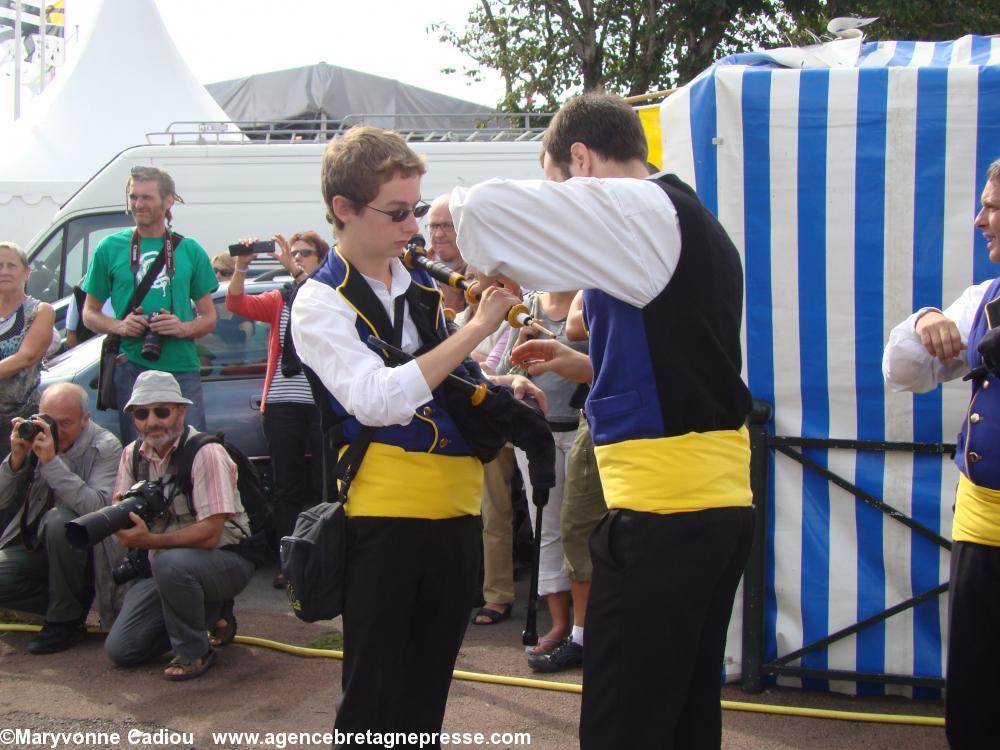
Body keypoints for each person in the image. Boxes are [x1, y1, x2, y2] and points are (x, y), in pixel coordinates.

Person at [452, 92, 755, 749]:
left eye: (562, 181)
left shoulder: (639, 209)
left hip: (662, 520)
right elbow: (681, 369)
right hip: (709, 509)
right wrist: (583, 363)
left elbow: (477, 212)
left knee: (624, 723)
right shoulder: (693, 220)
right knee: (682, 716)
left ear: (581, 160)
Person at [290, 126, 533, 746]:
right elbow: (375, 400)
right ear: (343, 210)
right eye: (398, 213)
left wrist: (501, 384)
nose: (413, 229)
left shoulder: (422, 288)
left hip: (455, 512)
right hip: (385, 519)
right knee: (373, 699)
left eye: (417, 211)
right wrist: (477, 327)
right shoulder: (319, 303)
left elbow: (447, 380)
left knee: (427, 693)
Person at [882, 158, 1000, 750]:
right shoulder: (983, 299)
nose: (981, 220)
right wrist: (926, 319)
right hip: (983, 532)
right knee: (978, 700)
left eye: (994, 207)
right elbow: (902, 368)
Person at [103, 370, 253, 682]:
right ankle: (210, 611)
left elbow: (212, 534)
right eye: (142, 413)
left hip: (228, 558)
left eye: (161, 411)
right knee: (123, 650)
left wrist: (147, 541)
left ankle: (194, 651)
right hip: (166, 565)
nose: (152, 421)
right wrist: (118, 525)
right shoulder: (132, 455)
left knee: (172, 564)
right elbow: (121, 513)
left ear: (181, 411)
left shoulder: (205, 452)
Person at [80, 166, 218, 444]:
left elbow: (209, 318)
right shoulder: (109, 247)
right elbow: (89, 314)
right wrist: (120, 325)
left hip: (181, 366)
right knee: (141, 454)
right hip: (132, 365)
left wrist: (181, 327)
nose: (138, 205)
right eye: (133, 197)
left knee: (193, 451)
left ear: (168, 201)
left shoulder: (189, 249)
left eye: (146, 197)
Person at [226, 231, 329, 588]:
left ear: (321, 258)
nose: (298, 257)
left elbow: (323, 303)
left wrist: (295, 271)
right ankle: (290, 561)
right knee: (287, 486)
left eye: (306, 253)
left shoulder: (326, 294)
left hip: (320, 402)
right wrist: (241, 267)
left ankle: (322, 558)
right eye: (294, 253)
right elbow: (236, 304)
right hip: (283, 403)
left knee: (324, 483)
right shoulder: (279, 300)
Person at [0, 383, 122, 653]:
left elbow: (98, 507)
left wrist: (52, 463)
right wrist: (16, 460)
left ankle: (63, 621)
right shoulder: (34, 438)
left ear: (85, 419)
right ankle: (70, 603)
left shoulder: (106, 446)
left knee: (59, 521)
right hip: (41, 545)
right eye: (49, 421)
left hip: (88, 550)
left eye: (65, 423)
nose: (56, 430)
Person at [0, 242, 55, 459]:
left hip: (19, 419)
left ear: (27, 271)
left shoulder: (40, 311)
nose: (4, 271)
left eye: (11, 265)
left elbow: (27, 356)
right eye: (0, 265)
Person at [426, 194, 468, 313]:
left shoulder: (485, 272)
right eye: (433, 226)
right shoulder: (415, 271)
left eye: (447, 226)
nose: (439, 234)